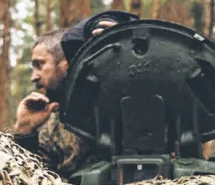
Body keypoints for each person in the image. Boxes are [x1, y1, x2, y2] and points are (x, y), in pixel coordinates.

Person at [12, 11, 136, 176]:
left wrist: (124, 47)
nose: (33, 77)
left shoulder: (134, 103)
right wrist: (24, 130)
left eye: (39, 65)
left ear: (67, 63)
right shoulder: (52, 126)